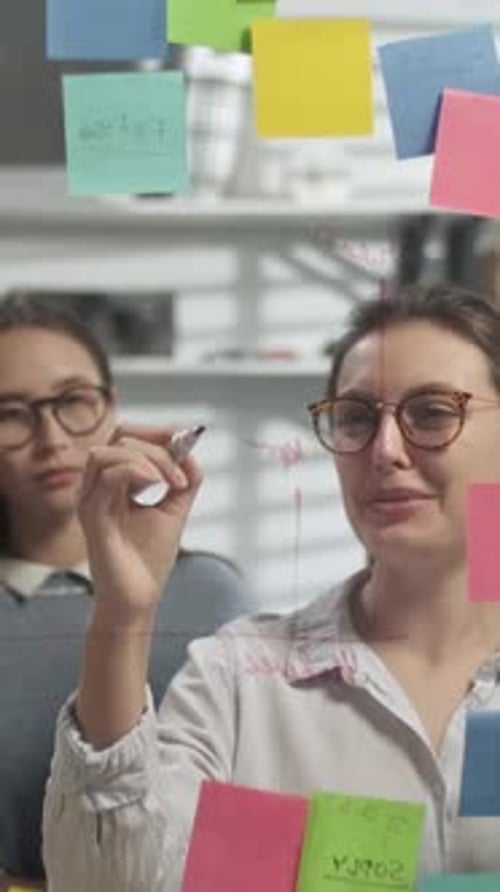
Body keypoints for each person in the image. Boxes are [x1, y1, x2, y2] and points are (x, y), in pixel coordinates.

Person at [43, 283, 500, 890]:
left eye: (434, 413)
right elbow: (104, 883)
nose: (385, 450)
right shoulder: (241, 682)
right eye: (357, 417)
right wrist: (124, 612)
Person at [0, 291, 252, 887]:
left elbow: (246, 800)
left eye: (74, 401)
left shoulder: (210, 595)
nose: (52, 437)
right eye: (11, 413)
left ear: (110, 406)